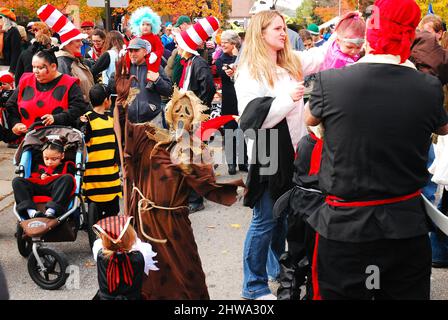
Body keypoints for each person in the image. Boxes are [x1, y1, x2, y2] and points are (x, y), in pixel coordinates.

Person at [304, 0, 448, 300]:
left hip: (345, 227)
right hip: (404, 224)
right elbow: (442, 128)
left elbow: (310, 120)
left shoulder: (330, 82)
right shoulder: (428, 88)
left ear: (370, 34)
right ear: (410, 36)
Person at [235, 10, 330, 300]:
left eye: (283, 27)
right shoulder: (250, 70)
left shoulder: (288, 62)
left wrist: (340, 36)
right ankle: (253, 286)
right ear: (260, 33)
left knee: (285, 216)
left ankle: (277, 269)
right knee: (264, 219)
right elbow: (253, 120)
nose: (282, 31)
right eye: (276, 27)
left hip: (293, 150)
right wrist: (288, 98)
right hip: (266, 150)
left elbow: (319, 56)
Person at [175, 16, 219, 213]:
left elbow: (208, 87)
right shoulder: (190, 63)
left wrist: (199, 109)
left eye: (179, 44)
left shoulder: (198, 63)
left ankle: (196, 199)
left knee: (193, 158)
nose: (177, 47)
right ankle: (194, 195)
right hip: (187, 117)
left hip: (195, 118)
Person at [6, 47, 87, 136]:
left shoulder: (69, 83)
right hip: (30, 138)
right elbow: (11, 105)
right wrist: (16, 123)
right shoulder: (26, 80)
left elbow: (78, 108)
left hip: (59, 139)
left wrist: (57, 118)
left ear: (53, 66)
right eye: (33, 67)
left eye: (40, 68)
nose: (35, 71)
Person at [37, 4, 95, 102]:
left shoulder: (75, 60)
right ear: (67, 43)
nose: (81, 44)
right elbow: (64, 95)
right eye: (78, 41)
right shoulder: (62, 63)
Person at [92, 216, 158, 300]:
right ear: (131, 238)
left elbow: (102, 244)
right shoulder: (142, 256)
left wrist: (114, 242)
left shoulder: (99, 254)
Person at [82, 84, 122, 219]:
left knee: (111, 211)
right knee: (104, 212)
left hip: (105, 174)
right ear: (107, 100)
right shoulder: (87, 119)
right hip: (100, 174)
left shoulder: (110, 117)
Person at [12, 137, 76, 219]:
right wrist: (40, 177)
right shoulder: (37, 163)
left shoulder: (68, 165)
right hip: (38, 187)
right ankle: (31, 212)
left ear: (62, 155)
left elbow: (72, 182)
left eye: (54, 159)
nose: (49, 162)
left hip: (56, 189)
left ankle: (51, 211)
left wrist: (56, 177)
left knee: (68, 178)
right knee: (17, 181)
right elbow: (31, 177)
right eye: (46, 158)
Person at [215, 30, 247, 175]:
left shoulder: (244, 56)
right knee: (229, 132)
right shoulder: (221, 59)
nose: (222, 45)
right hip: (229, 101)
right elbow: (223, 74)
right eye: (221, 43)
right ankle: (231, 163)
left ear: (234, 43)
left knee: (243, 131)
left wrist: (236, 59)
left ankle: (243, 161)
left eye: (225, 42)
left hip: (242, 99)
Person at [126, 38, 172, 125]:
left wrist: (157, 80)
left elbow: (169, 91)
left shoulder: (155, 67)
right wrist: (117, 76)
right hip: (130, 121)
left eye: (136, 50)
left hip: (153, 119)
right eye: (130, 51)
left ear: (144, 52)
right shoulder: (126, 68)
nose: (132, 54)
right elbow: (113, 89)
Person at [129, 7, 164, 75]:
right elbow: (130, 47)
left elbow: (160, 49)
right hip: (138, 64)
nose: (145, 27)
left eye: (148, 24)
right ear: (138, 26)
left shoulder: (155, 37)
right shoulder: (136, 37)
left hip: (152, 64)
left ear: (152, 26)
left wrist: (155, 55)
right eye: (143, 24)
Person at [0, 7, 22, 75]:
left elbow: (16, 52)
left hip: (7, 66)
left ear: (5, 19)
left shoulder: (13, 31)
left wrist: (12, 70)